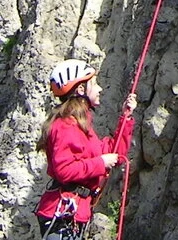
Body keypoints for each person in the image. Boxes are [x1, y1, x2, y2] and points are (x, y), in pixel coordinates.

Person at [35, 59, 137, 239]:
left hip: (74, 213)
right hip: (62, 214)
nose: (100, 89)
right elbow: (64, 170)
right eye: (94, 84)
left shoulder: (82, 126)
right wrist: (100, 163)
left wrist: (126, 118)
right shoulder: (66, 125)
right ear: (80, 90)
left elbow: (115, 155)